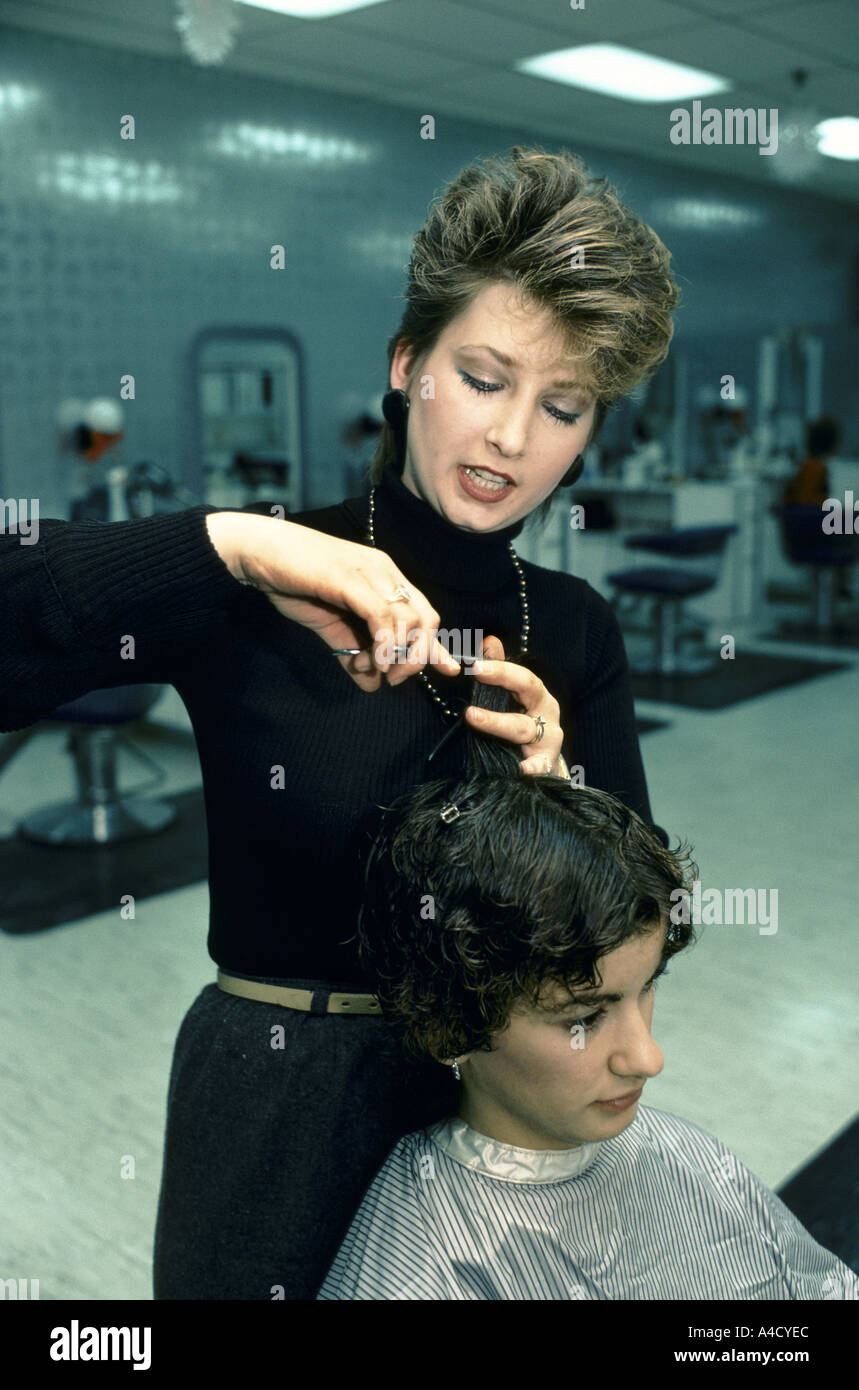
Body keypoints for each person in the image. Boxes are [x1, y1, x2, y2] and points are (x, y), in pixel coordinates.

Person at [0, 146, 679, 1300]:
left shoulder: (573, 625)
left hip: (495, 1099)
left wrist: (564, 799)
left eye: (560, 406)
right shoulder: (267, 572)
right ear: (407, 364)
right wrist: (231, 542)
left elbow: (641, 929)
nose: (513, 437)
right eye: (482, 377)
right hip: (279, 1093)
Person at [318, 684, 858, 1301]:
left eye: (646, 987)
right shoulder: (421, 1268)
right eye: (584, 1016)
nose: (648, 1059)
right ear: (451, 1022)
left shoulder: (684, 1157)